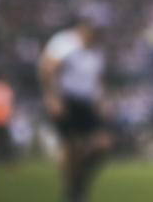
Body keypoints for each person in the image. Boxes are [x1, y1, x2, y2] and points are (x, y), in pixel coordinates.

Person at [37, 20, 112, 202]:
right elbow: (47, 68)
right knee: (72, 146)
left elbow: (96, 80)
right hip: (67, 100)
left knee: (103, 144)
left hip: (86, 102)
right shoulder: (65, 43)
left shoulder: (96, 51)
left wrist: (102, 100)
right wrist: (52, 96)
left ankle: (77, 181)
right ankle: (72, 191)